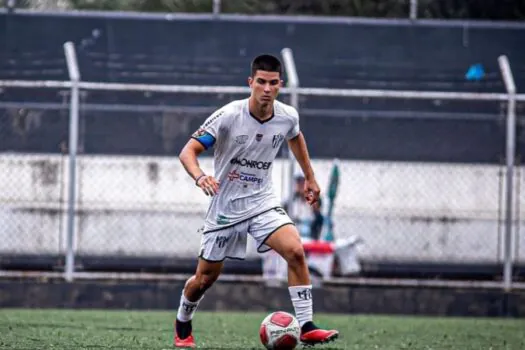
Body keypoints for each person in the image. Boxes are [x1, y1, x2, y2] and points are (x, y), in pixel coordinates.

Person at [175, 54, 339, 348]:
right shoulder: (229, 116)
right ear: (250, 83)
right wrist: (201, 177)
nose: (266, 88)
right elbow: (188, 151)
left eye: (272, 83)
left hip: (262, 202)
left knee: (296, 251)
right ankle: (183, 321)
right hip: (225, 208)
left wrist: (311, 178)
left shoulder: (287, 116)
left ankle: (307, 326)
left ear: (280, 86)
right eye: (260, 82)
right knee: (204, 280)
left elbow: (296, 137)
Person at [284, 174, 324, 241]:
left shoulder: (312, 198)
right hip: (294, 233)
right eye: (298, 182)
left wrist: (307, 193)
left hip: (310, 233)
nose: (301, 185)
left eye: (303, 182)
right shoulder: (291, 200)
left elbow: (317, 212)